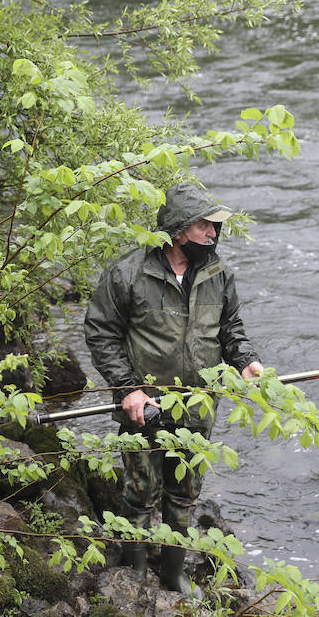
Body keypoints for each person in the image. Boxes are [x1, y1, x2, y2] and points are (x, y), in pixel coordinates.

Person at [84, 181, 264, 593]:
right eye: (206, 227)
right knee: (140, 491)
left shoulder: (218, 274)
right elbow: (101, 332)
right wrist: (127, 388)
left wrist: (246, 360)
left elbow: (230, 329)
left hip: (199, 404)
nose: (213, 235)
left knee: (185, 492)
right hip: (142, 404)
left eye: (214, 228)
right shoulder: (128, 272)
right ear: (180, 229)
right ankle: (134, 577)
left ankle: (172, 573)